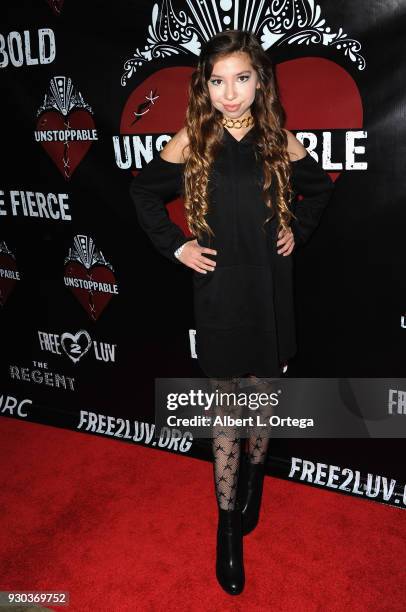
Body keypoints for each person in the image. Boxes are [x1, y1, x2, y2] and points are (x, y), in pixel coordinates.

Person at [129, 29, 334, 595]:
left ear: (259, 81)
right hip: (219, 292)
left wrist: (298, 227)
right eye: (217, 81)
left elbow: (318, 190)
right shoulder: (193, 137)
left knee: (262, 396)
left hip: (271, 290)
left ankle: (256, 484)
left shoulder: (276, 137)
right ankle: (227, 531)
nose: (230, 93)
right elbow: (144, 192)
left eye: (241, 78)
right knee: (226, 407)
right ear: (205, 86)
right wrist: (178, 245)